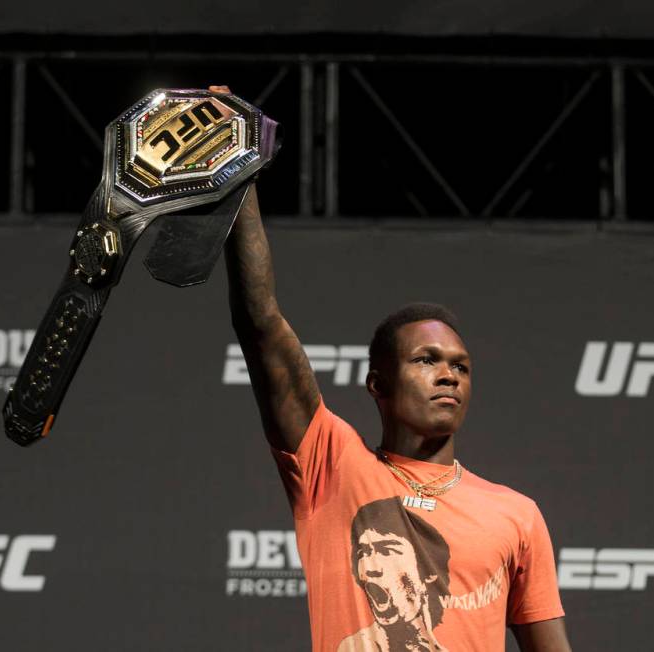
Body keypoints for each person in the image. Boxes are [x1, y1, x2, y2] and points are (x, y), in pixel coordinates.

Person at [213, 85, 571, 652]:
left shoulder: (517, 515)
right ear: (377, 383)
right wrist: (238, 175)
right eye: (426, 360)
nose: (448, 375)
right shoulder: (335, 470)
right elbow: (261, 326)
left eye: (461, 366)